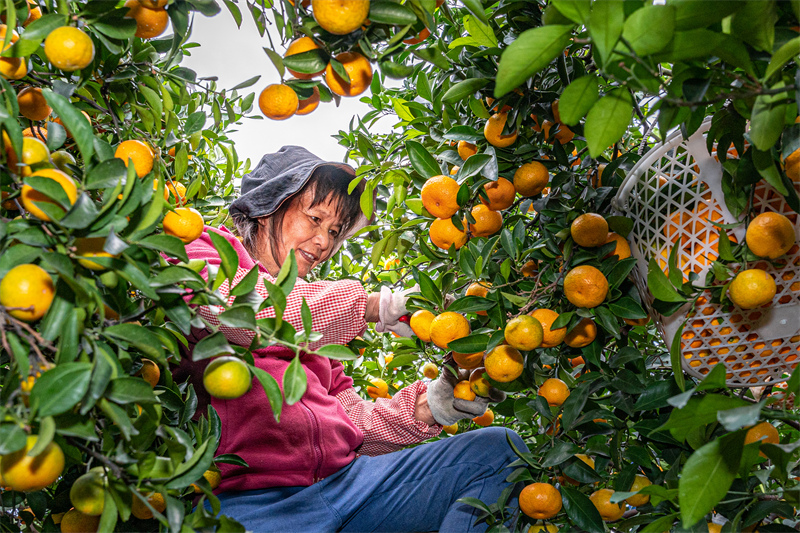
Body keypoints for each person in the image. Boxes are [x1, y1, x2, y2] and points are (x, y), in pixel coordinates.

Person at [173, 146, 528, 532]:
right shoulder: (201, 247)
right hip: (248, 501)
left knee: (497, 454)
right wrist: (371, 306)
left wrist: (433, 406)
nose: (324, 242)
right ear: (266, 207)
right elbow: (234, 308)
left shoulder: (319, 339)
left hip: (347, 487)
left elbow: (353, 423)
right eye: (315, 219)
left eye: (334, 231)